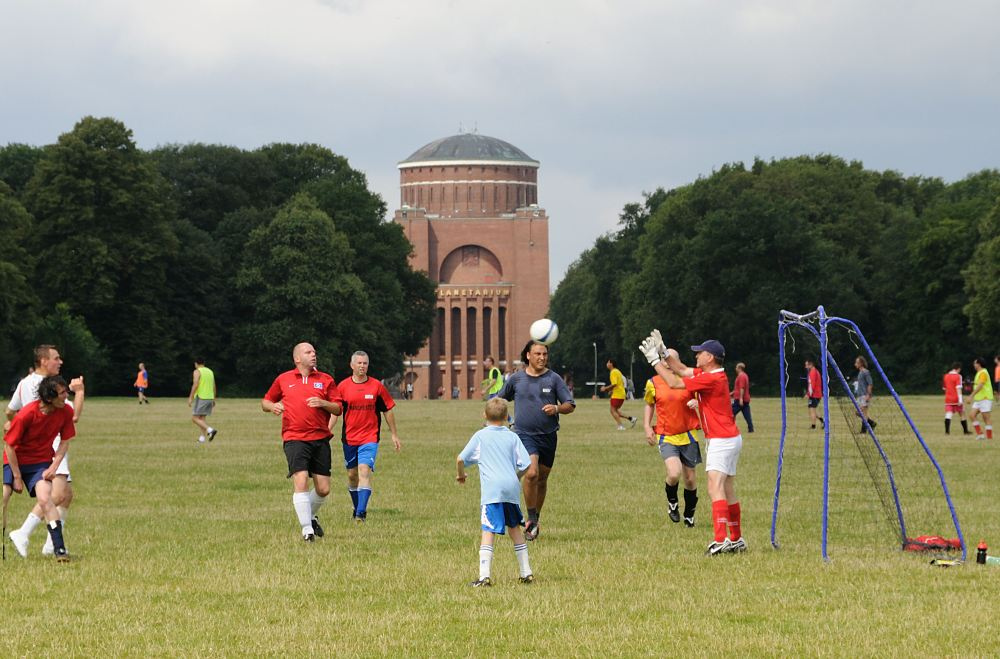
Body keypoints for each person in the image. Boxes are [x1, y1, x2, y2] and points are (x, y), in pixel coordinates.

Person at [640, 331, 746, 555]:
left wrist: (653, 360)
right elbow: (681, 369)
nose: (696, 356)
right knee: (727, 488)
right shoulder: (713, 373)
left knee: (714, 487)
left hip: (721, 439)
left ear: (710, 357)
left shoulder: (710, 378)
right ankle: (736, 538)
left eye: (700, 353)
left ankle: (720, 540)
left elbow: (672, 380)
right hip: (731, 437)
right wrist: (663, 350)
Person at [5, 344, 84, 557]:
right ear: (43, 361)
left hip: (48, 446)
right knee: (56, 495)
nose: (60, 362)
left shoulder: (24, 383)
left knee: (66, 495)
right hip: (50, 446)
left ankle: (51, 546)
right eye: (56, 358)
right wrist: (80, 393)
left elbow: (10, 411)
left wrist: (13, 424)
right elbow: (72, 415)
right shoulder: (51, 387)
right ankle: (24, 533)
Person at [262, 342, 342, 542]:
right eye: (308, 352)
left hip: (320, 438)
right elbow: (265, 402)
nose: (313, 355)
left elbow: (338, 409)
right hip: (294, 437)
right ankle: (307, 530)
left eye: (314, 351)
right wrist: (272, 407)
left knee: (323, 489)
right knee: (301, 479)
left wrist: (323, 403)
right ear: (297, 358)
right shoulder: (284, 379)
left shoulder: (326, 379)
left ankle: (311, 516)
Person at [496, 341, 575, 541]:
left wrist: (557, 409)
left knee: (542, 478)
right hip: (523, 435)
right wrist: (498, 416)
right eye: (538, 354)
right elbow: (500, 399)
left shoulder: (554, 379)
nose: (542, 357)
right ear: (528, 356)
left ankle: (535, 517)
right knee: (531, 473)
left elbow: (570, 404)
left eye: (545, 354)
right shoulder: (516, 379)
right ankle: (530, 518)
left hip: (548, 436)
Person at [456, 397, 534, 587]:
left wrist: (461, 475)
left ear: (484, 415)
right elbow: (527, 464)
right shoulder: (512, 436)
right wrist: (515, 477)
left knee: (488, 530)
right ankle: (526, 572)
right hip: (511, 489)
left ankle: (484, 576)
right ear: (507, 417)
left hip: (493, 491)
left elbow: (460, 459)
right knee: (514, 528)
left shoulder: (481, 436)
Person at [337, 351, 401, 522]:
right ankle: (356, 507)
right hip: (349, 438)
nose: (362, 366)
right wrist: (327, 431)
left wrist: (394, 434)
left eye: (365, 363)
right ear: (352, 365)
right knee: (352, 475)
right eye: (359, 363)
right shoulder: (342, 387)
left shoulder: (376, 387)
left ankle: (361, 513)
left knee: (364, 471)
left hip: (370, 437)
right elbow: (335, 411)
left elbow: (387, 409)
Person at [643, 368, 701, 526]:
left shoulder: (688, 380)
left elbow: (706, 398)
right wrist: (647, 427)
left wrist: (698, 402)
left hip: (689, 435)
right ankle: (673, 503)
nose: (668, 366)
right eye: (665, 363)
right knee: (674, 473)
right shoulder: (653, 382)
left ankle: (689, 515)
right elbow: (649, 404)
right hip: (666, 435)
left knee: (689, 479)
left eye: (670, 363)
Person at [188, 357, 218, 443]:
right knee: (202, 418)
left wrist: (191, 397)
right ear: (204, 363)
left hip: (202, 397)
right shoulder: (210, 371)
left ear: (196, 364)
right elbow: (214, 386)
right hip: (209, 397)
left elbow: (195, 384)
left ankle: (210, 430)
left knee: (194, 418)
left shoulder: (197, 371)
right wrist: (214, 398)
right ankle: (202, 439)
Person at [601, 359, 636, 431]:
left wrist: (606, 388)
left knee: (612, 410)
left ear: (611, 364)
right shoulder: (617, 371)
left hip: (617, 394)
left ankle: (621, 426)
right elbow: (620, 383)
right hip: (621, 394)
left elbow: (614, 384)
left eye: (608, 362)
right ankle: (631, 418)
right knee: (616, 411)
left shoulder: (613, 372)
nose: (607, 364)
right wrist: (611, 390)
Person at [942, 362, 972, 435]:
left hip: (948, 399)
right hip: (956, 399)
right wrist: (960, 400)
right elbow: (958, 388)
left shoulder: (946, 376)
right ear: (958, 369)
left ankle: (947, 431)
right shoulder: (958, 376)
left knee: (948, 414)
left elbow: (944, 388)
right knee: (962, 414)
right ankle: (965, 431)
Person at [969, 357, 994, 441]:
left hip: (985, 398)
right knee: (972, 415)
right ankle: (980, 435)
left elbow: (981, 385)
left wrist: (971, 395)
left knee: (986, 417)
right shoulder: (979, 373)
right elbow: (978, 383)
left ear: (979, 364)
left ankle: (989, 438)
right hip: (979, 399)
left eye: (975, 363)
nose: (974, 365)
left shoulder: (983, 372)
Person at [853, 356, 877, 433]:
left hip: (864, 395)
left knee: (864, 413)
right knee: (859, 413)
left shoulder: (865, 372)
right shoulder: (860, 372)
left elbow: (870, 384)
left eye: (857, 362)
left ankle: (863, 431)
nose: (855, 364)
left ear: (861, 363)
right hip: (860, 395)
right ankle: (872, 423)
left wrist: (868, 395)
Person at [730, 362, 754, 433]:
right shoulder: (745, 375)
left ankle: (731, 427)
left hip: (739, 399)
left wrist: (740, 398)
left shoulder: (741, 376)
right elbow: (738, 388)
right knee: (747, 414)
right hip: (745, 399)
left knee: (730, 413)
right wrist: (731, 393)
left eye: (736, 367)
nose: (735, 369)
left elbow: (742, 388)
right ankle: (751, 429)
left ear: (739, 368)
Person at [804, 359, 824, 429]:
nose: (805, 367)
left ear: (811, 365)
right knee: (812, 409)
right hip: (816, 394)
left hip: (814, 394)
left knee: (812, 410)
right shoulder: (815, 371)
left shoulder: (812, 372)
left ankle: (813, 426)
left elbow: (812, 385)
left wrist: (808, 394)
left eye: (806, 365)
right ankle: (822, 421)